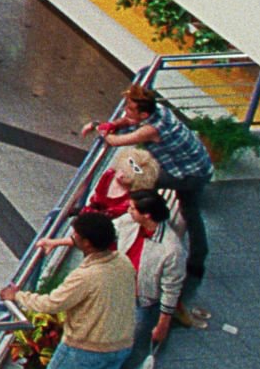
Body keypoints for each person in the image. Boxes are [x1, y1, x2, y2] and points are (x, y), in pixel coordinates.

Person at [3, 211, 135, 369]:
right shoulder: (123, 263)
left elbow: (52, 304)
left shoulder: (86, 276)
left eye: (77, 235)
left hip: (86, 346)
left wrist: (17, 296)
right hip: (120, 343)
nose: (73, 237)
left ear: (87, 243)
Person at [91, 85, 213, 326]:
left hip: (187, 174)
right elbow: (126, 121)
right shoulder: (161, 112)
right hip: (198, 167)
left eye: (130, 108)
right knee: (191, 212)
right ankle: (198, 261)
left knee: (139, 174)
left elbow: (116, 141)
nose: (126, 111)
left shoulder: (150, 129)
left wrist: (101, 129)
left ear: (144, 114)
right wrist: (114, 122)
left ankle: (135, 210)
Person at [118, 189, 186, 369]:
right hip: (119, 292)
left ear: (146, 215)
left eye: (132, 208)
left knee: (125, 349)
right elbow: (104, 230)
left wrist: (162, 323)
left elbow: (171, 289)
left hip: (141, 302)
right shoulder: (129, 223)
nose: (128, 211)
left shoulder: (171, 250)